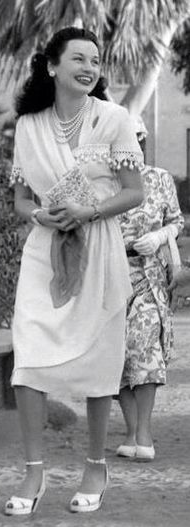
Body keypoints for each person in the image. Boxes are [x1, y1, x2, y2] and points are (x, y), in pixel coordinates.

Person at [5, 27, 144, 516]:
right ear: (52, 66)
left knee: (99, 361)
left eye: (96, 59)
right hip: (45, 249)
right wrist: (38, 215)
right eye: (79, 58)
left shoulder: (114, 119)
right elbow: (22, 199)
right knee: (28, 354)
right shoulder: (28, 125)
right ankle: (34, 471)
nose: (89, 67)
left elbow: (135, 192)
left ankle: (95, 464)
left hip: (98, 245)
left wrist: (89, 212)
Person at [116, 124, 184, 461]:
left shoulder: (160, 178)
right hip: (110, 277)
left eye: (136, 139)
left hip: (149, 276)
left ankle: (144, 433)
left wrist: (159, 238)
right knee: (115, 358)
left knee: (144, 351)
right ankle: (131, 433)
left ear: (142, 140)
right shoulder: (100, 181)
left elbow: (176, 221)